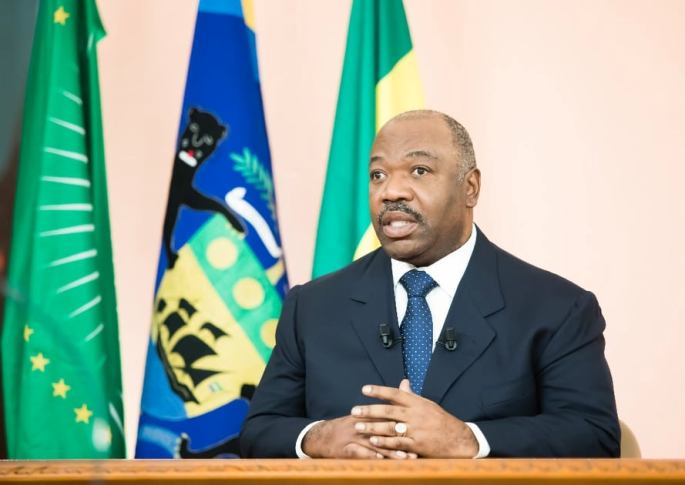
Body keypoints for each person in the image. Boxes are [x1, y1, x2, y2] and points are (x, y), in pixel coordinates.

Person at [240, 110, 620, 459]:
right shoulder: (313, 307)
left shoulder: (556, 308)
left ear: (470, 187)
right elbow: (258, 432)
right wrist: (318, 437)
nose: (391, 192)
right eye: (378, 175)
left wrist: (467, 439)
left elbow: (594, 436)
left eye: (419, 170)